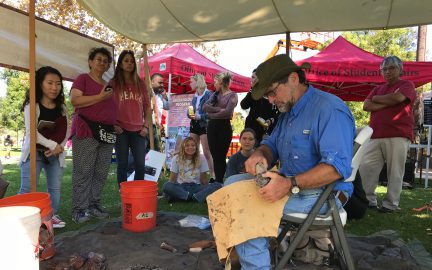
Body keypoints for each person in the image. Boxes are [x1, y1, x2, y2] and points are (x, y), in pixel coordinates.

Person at [224, 54, 355, 269]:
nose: (272, 100)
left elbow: (335, 168)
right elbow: (271, 145)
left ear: (294, 78)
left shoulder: (329, 109)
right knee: (230, 185)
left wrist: (289, 183)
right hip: (296, 187)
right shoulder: (289, 112)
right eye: (268, 96)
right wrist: (260, 154)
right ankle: (253, 251)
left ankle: (256, 263)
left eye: (273, 92)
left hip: (325, 195)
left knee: (245, 203)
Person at [359, 56, 416, 213]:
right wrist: (387, 101)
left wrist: (377, 100)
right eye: (384, 69)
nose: (387, 72)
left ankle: (390, 204)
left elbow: (398, 97)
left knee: (395, 171)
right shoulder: (377, 89)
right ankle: (368, 200)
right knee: (366, 168)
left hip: (398, 133)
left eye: (391, 68)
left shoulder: (407, 85)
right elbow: (366, 105)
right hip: (375, 134)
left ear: (400, 69)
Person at [70, 47, 117, 223]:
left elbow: (110, 109)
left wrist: (116, 124)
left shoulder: (108, 86)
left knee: (100, 172)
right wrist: (99, 97)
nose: (102, 63)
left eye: (106, 61)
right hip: (86, 130)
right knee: (84, 171)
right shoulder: (83, 79)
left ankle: (93, 205)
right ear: (90, 62)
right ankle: (79, 209)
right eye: (99, 59)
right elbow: (75, 100)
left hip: (107, 133)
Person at [18, 66, 70, 228]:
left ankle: (51, 217)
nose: (54, 87)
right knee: (26, 188)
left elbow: (67, 129)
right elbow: (31, 132)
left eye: (58, 84)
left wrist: (59, 147)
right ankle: (20, 218)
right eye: (50, 83)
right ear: (40, 84)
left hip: (55, 154)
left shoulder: (61, 107)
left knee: (54, 187)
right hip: (34, 153)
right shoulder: (32, 105)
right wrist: (52, 144)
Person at [112, 50, 150, 187]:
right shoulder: (114, 83)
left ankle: (137, 193)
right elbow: (106, 105)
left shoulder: (140, 84)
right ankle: (124, 195)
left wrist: (145, 126)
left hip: (139, 130)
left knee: (140, 164)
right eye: (126, 61)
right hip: (120, 129)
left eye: (132, 61)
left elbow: (147, 107)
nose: (129, 64)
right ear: (120, 64)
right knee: (122, 164)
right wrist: (113, 124)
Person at [203, 72, 238, 183]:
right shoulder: (215, 95)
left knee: (221, 156)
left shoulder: (233, 95)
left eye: (215, 82)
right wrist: (219, 110)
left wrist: (211, 114)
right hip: (212, 127)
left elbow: (228, 113)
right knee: (214, 155)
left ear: (221, 82)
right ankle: (218, 180)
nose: (214, 84)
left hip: (224, 127)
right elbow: (204, 107)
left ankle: (219, 181)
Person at [162, 137, 222, 202]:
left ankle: (186, 197)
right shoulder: (176, 158)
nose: (190, 147)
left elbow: (203, 179)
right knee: (166, 186)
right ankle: (193, 197)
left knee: (218, 185)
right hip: (181, 187)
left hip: (196, 187)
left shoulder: (201, 158)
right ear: (183, 147)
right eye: (187, 145)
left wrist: (208, 189)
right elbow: (172, 179)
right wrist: (169, 189)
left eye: (193, 145)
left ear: (196, 147)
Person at [187, 73, 215, 180]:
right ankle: (194, 174)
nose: (190, 84)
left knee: (206, 151)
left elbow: (211, 114)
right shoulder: (195, 96)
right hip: (194, 125)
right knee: (192, 150)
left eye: (191, 82)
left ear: (197, 82)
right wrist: (191, 114)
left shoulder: (208, 94)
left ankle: (213, 175)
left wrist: (200, 116)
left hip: (204, 125)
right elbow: (189, 111)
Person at [241, 69, 279, 144]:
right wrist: (252, 89)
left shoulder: (271, 91)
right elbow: (244, 105)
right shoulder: (253, 93)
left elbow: (278, 113)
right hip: (251, 132)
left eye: (253, 77)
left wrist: (271, 120)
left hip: (266, 133)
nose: (251, 79)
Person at [151, 73, 169, 139]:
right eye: (160, 83)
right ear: (152, 82)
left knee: (157, 149)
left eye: (162, 83)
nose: (162, 85)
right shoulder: (146, 93)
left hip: (158, 128)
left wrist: (164, 96)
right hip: (148, 127)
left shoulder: (161, 94)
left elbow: (166, 107)